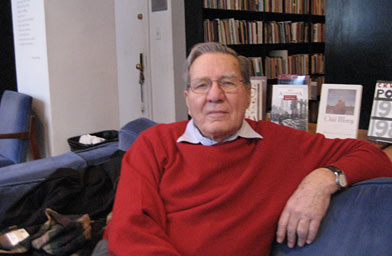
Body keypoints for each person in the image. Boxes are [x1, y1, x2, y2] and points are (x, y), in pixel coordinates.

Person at [105, 42, 392, 255]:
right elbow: (129, 229)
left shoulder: (282, 143)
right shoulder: (154, 144)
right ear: (188, 98)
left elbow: (374, 157)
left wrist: (321, 180)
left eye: (228, 83)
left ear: (247, 94)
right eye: (202, 85)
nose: (214, 95)